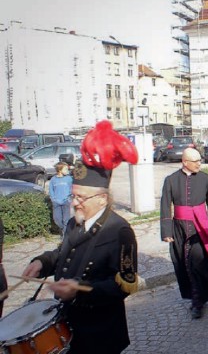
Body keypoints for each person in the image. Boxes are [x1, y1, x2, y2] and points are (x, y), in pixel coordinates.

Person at [22, 120, 139, 354]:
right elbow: (62, 253)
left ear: (102, 199)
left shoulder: (120, 230)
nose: (74, 202)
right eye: (73, 196)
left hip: (100, 332)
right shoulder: (75, 221)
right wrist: (41, 263)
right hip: (68, 324)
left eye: (81, 198)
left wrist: (80, 288)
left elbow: (125, 286)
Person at [160, 147, 208, 319]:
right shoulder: (170, 180)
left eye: (200, 160)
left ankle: (198, 301)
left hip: (201, 228)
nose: (200, 163)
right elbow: (165, 206)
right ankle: (195, 297)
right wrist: (166, 231)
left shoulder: (206, 179)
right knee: (184, 264)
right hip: (179, 229)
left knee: (199, 263)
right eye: (196, 161)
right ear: (185, 162)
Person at [48, 161, 73, 235]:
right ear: (59, 170)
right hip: (56, 202)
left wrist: (70, 197)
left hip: (66, 201)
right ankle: (63, 229)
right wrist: (53, 199)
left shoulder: (69, 178)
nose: (67, 171)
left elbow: (72, 188)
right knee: (57, 220)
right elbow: (51, 190)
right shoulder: (53, 179)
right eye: (65, 169)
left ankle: (64, 236)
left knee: (66, 220)